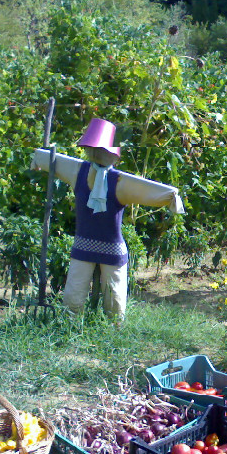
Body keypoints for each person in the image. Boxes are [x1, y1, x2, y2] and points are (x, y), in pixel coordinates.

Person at [31, 117, 183, 319]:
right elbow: (53, 160)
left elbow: (148, 189)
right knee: (74, 295)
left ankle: (113, 327)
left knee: (114, 298)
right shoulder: (79, 171)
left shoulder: (118, 181)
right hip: (84, 244)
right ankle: (71, 324)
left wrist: (171, 196)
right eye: (95, 149)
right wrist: (40, 158)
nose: (97, 154)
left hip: (110, 247)